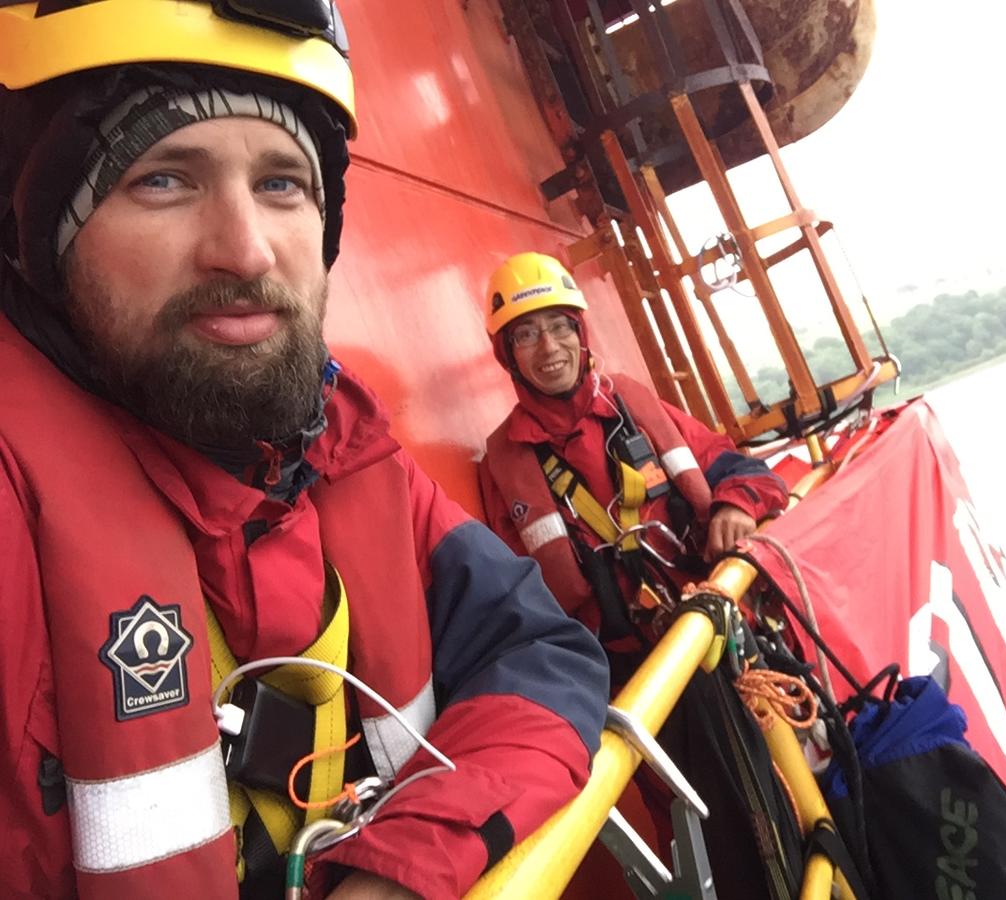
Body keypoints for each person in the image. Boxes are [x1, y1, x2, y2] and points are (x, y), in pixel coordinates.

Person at [0, 4, 607, 899]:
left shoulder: (351, 458)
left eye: (284, 183)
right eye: (164, 179)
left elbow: (542, 650)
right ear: (41, 233)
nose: (245, 251)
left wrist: (398, 870)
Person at [479, 251, 789, 665]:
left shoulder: (635, 406)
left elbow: (743, 471)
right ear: (508, 355)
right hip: (627, 672)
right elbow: (514, 596)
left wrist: (736, 505)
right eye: (527, 335)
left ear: (580, 334)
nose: (549, 347)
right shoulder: (505, 464)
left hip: (721, 628)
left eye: (559, 327)